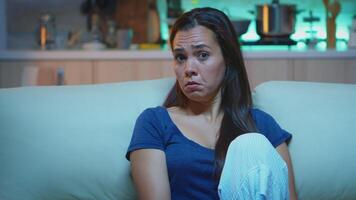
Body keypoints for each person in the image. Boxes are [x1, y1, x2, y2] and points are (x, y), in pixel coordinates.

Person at [126, 7, 297, 200]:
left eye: (202, 55)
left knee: (251, 143)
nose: (189, 69)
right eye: (180, 57)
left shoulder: (262, 125)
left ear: (228, 60)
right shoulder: (155, 122)